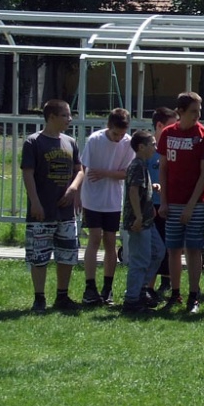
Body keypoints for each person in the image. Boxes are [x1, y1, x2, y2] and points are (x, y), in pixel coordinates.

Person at [21, 99, 83, 313]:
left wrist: (73, 189)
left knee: (67, 254)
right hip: (42, 210)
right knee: (39, 256)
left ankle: (62, 296)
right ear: (52, 117)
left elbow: (79, 170)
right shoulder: (33, 142)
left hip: (65, 212)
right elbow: (28, 174)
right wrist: (35, 203)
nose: (69, 119)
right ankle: (39, 298)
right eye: (65, 115)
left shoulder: (70, 142)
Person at [157, 92, 204, 314]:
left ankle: (194, 296)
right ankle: (175, 293)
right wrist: (163, 201)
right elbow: (163, 169)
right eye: (193, 111)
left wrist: (191, 205)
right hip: (172, 201)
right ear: (180, 112)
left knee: (194, 249)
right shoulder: (167, 133)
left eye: (199, 110)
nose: (197, 115)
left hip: (195, 203)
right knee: (173, 249)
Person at [79, 108, 134, 306]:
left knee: (110, 241)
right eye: (115, 133)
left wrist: (105, 173)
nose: (118, 138)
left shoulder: (128, 143)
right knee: (94, 238)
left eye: (122, 134)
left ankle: (107, 287)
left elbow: (127, 172)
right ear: (108, 127)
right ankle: (90, 286)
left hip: (112, 200)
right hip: (92, 198)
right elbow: (84, 167)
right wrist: (79, 192)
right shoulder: (95, 140)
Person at [121, 130, 165, 314]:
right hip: (138, 222)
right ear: (141, 147)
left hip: (147, 220)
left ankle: (142, 289)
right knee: (140, 260)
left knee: (158, 251)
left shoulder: (142, 165)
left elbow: (140, 188)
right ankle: (132, 300)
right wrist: (138, 217)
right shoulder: (137, 165)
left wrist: (151, 188)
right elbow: (133, 191)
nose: (155, 147)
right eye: (152, 144)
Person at [145, 106, 177, 300]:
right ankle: (148, 287)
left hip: (170, 204)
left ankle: (169, 282)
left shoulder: (173, 148)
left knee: (171, 245)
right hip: (152, 206)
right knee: (154, 248)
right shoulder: (148, 150)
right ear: (159, 125)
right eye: (171, 125)